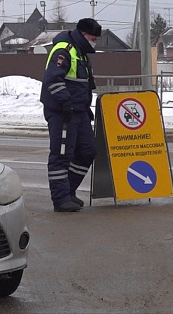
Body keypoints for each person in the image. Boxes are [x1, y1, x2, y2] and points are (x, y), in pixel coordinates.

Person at [39, 18, 100, 212]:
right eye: (92, 38)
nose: (95, 42)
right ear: (83, 35)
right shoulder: (64, 51)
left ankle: (69, 191)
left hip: (79, 111)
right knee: (61, 155)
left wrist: (83, 106)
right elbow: (53, 79)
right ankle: (61, 199)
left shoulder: (81, 53)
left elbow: (82, 85)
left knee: (87, 151)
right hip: (62, 112)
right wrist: (65, 103)